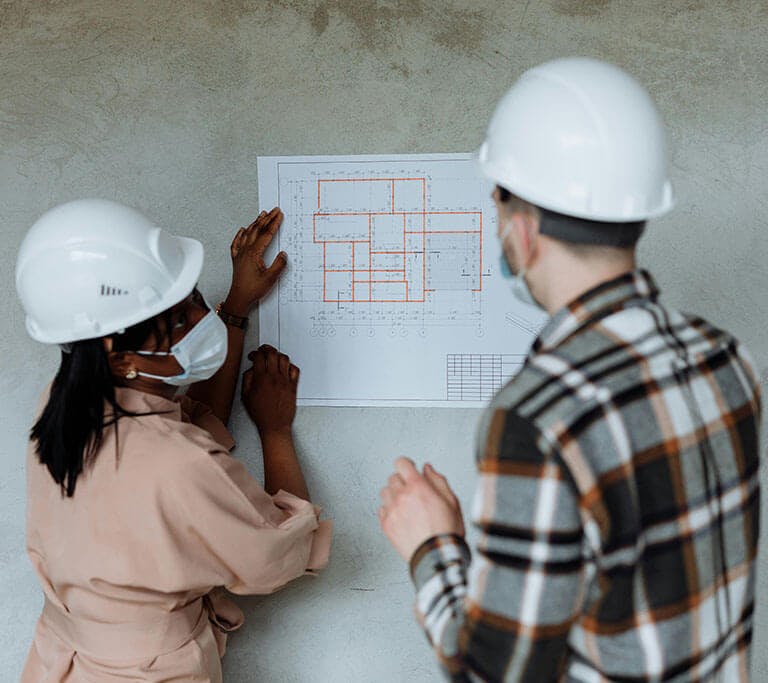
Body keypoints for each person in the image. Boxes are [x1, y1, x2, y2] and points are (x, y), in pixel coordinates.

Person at [378, 57, 761, 682]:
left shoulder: (536, 418)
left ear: (522, 231)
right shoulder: (727, 356)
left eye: (498, 200)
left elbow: (494, 673)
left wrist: (432, 545)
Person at [15, 199, 331, 681]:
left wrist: (237, 308)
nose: (201, 321)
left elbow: (179, 430)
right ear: (118, 358)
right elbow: (281, 555)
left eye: (193, 300)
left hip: (61, 662)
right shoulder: (178, 463)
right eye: (178, 321)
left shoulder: (63, 402)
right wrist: (275, 431)